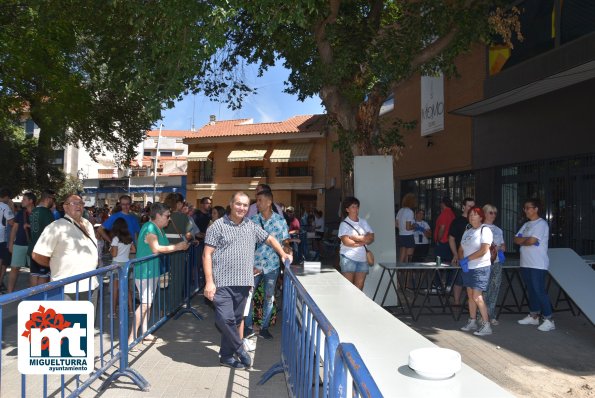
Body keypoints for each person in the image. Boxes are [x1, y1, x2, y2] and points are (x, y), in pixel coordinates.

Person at [203, 192, 291, 369]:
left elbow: (270, 239)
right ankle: (240, 348)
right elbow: (207, 254)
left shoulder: (251, 225)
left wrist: (283, 254)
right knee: (224, 319)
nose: (242, 208)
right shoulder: (217, 226)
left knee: (235, 321)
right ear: (230, 204)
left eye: (245, 205)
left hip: (243, 283)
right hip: (222, 283)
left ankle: (226, 357)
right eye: (238, 204)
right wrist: (209, 281)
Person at [128, 203, 189, 346]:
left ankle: (145, 333)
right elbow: (156, 249)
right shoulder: (149, 228)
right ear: (158, 215)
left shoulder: (158, 229)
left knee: (147, 304)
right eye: (167, 216)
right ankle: (132, 338)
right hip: (145, 271)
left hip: (152, 270)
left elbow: (164, 248)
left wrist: (179, 246)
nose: (169, 219)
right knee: (145, 304)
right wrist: (178, 247)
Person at [32, 194, 99, 303]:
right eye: (74, 203)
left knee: (90, 320)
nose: (79, 206)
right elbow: (37, 255)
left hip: (92, 284)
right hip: (67, 288)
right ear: (65, 207)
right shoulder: (55, 227)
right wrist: (55, 264)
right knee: (69, 320)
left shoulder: (87, 224)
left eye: (81, 203)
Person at [246, 190, 291, 340]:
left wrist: (288, 252)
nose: (257, 204)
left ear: (269, 202)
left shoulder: (280, 221)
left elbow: (285, 241)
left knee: (269, 297)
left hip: (272, 266)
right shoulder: (252, 220)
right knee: (249, 296)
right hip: (254, 265)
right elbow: (246, 245)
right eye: (256, 200)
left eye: (259, 200)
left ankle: (264, 327)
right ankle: (247, 327)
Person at [514, 198, 555, 332]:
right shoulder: (526, 225)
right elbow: (515, 239)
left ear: (536, 209)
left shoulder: (541, 224)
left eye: (528, 207)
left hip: (538, 264)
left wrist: (524, 240)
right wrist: (527, 240)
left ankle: (549, 319)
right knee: (531, 290)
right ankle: (534, 316)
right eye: (524, 208)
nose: (525, 210)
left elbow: (532, 241)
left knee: (539, 291)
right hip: (526, 263)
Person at [458, 207, 493, 336]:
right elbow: (461, 248)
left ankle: (486, 325)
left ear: (481, 217)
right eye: (470, 214)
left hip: (480, 268)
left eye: (475, 214)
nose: (472, 217)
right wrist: (463, 261)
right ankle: (472, 321)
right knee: (470, 296)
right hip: (468, 268)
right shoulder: (467, 231)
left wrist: (467, 259)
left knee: (477, 296)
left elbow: (484, 250)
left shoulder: (485, 230)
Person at [338, 196, 375, 290]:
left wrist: (356, 238)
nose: (356, 209)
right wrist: (363, 241)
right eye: (353, 207)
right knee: (348, 287)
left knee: (359, 287)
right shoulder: (344, 224)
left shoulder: (363, 222)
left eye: (357, 206)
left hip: (362, 259)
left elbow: (371, 237)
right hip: (348, 258)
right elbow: (346, 242)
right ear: (347, 209)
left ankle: (356, 305)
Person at [449, 197, 476, 307]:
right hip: (462, 256)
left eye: (473, 206)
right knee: (459, 279)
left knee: (474, 282)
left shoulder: (477, 221)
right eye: (469, 206)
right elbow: (451, 239)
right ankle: (456, 302)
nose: (471, 208)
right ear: (463, 207)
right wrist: (455, 254)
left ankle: (473, 304)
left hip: (475, 256)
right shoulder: (457, 221)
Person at [7, 192, 36, 293]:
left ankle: (32, 293)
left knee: (33, 271)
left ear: (31, 201)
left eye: (24, 199)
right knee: (14, 268)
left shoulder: (37, 213)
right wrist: (11, 243)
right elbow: (14, 229)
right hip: (19, 244)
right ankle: (9, 293)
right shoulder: (20, 213)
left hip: (33, 246)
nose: (21, 201)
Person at [482, 204, 505, 325]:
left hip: (496, 262)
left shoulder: (498, 230)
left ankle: (491, 314)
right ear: (484, 213)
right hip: (483, 263)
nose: (493, 215)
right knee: (484, 289)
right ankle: (482, 315)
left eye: (495, 213)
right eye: (490, 212)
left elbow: (503, 245)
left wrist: (500, 248)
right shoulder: (480, 228)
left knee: (494, 288)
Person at [28, 190, 56, 287]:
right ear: (48, 199)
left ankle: (33, 299)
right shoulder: (47, 213)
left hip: (32, 248)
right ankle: (40, 300)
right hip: (43, 250)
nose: (54, 202)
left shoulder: (34, 211)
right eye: (53, 199)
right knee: (43, 276)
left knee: (34, 274)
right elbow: (53, 232)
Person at [109, 218, 136, 318]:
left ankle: (113, 312)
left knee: (115, 289)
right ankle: (131, 311)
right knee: (127, 288)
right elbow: (134, 250)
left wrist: (111, 250)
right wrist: (125, 251)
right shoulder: (128, 238)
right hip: (126, 264)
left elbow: (114, 253)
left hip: (116, 264)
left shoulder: (115, 239)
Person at [0, 188, 16, 292]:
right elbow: (12, 222)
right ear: (6, 197)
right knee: (3, 262)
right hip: (2, 238)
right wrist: (12, 208)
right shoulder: (5, 206)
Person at [396, 193, 417, 263]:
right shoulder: (410, 212)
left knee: (401, 258)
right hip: (409, 236)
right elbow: (408, 227)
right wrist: (414, 226)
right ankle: (406, 274)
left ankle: (398, 273)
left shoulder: (400, 211)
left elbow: (396, 225)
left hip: (401, 235)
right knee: (408, 259)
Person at [434, 197, 455, 262]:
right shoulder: (452, 213)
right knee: (448, 263)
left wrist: (438, 239)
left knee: (439, 264)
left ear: (443, 204)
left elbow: (442, 228)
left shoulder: (444, 213)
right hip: (449, 241)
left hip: (443, 241)